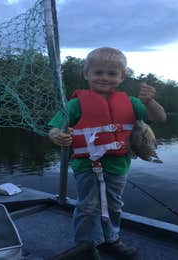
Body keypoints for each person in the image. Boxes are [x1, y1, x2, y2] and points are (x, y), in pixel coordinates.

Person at [49, 47, 166, 259]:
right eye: (98, 72)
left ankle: (111, 239)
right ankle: (85, 244)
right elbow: (55, 128)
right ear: (87, 74)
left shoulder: (133, 103)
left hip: (119, 165)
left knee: (114, 204)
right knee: (87, 206)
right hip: (86, 167)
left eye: (112, 74)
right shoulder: (75, 104)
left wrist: (149, 102)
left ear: (122, 77)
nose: (104, 78)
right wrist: (57, 135)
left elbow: (160, 118)